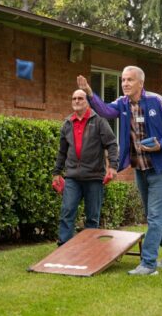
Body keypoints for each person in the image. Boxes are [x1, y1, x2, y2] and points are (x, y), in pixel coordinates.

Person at [77, 66, 162, 276]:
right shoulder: (122, 103)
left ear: (140, 83)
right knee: (153, 216)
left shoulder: (156, 101)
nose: (125, 83)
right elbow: (106, 111)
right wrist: (90, 93)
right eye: (123, 80)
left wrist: (161, 144)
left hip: (161, 167)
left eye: (130, 80)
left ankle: (148, 264)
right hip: (140, 168)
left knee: (154, 217)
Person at [53, 89, 119, 246]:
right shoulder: (67, 123)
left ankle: (90, 248)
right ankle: (64, 246)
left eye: (80, 98)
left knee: (92, 216)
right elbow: (62, 151)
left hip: (94, 177)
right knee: (67, 211)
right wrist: (57, 172)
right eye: (74, 98)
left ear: (87, 101)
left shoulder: (99, 121)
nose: (77, 101)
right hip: (72, 177)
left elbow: (111, 144)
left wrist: (113, 167)